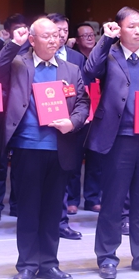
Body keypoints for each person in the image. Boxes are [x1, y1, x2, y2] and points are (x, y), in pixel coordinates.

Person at [0, 18, 88, 279]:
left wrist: (73, 122)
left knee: (53, 210)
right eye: (47, 36)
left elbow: (82, 103)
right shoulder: (18, 63)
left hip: (59, 147)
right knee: (28, 209)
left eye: (56, 35)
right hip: (27, 147)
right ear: (32, 40)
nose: (54, 40)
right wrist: (14, 43)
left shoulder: (70, 69)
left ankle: (49, 264)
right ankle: (27, 265)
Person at [85, 7, 139, 279]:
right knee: (112, 202)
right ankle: (107, 257)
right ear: (119, 29)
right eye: (132, 26)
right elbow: (89, 72)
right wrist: (105, 39)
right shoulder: (109, 53)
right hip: (117, 140)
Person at [47, 14, 86, 240]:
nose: (61, 35)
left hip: (69, 124)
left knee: (65, 174)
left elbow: (83, 92)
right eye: (56, 30)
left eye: (64, 30)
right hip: (42, 127)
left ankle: (62, 223)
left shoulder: (76, 57)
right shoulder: (30, 56)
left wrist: (76, 119)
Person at [0, 13, 29, 220]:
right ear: (9, 31)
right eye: (16, 28)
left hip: (23, 113)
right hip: (3, 113)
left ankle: (16, 204)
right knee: (0, 162)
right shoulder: (3, 49)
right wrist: (6, 42)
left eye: (24, 27)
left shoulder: (32, 51)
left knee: (19, 164)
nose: (21, 31)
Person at [73, 23, 103, 213]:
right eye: (85, 35)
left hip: (98, 116)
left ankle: (92, 199)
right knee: (74, 160)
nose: (90, 38)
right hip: (78, 115)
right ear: (77, 40)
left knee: (96, 160)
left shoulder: (102, 58)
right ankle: (72, 200)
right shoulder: (74, 59)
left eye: (92, 34)